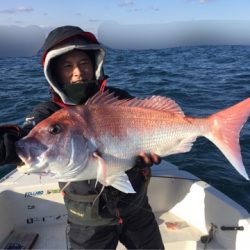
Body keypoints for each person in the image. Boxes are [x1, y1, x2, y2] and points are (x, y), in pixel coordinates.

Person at [0, 25, 164, 249]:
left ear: (95, 64)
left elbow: (148, 128)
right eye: (67, 65)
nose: (77, 72)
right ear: (54, 73)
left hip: (136, 209)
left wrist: (152, 152)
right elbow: (32, 135)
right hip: (86, 221)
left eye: (83, 63)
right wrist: (10, 144)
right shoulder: (47, 113)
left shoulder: (118, 99)